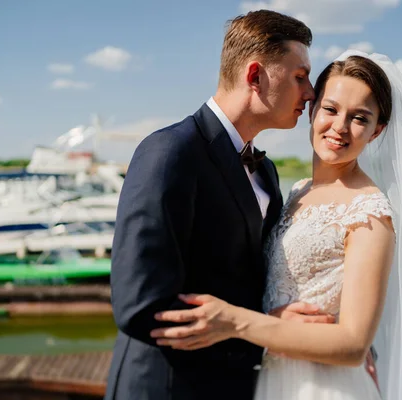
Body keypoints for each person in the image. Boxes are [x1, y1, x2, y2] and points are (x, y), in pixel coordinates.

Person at [151, 51, 402, 400]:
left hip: (324, 387)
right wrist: (268, 320)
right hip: (271, 377)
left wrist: (235, 322)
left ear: (377, 130)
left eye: (359, 118)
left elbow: (353, 344)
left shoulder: (369, 213)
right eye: (331, 109)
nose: (339, 127)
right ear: (312, 110)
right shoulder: (297, 191)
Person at [104, 10, 323, 400]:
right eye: (300, 77)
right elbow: (139, 304)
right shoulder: (170, 153)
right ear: (255, 76)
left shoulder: (266, 171)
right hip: (166, 387)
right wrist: (261, 330)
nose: (310, 94)